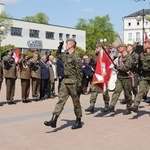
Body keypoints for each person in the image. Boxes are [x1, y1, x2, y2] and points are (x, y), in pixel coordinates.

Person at [44, 38, 83, 130]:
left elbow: (79, 72)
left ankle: (78, 121)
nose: (65, 46)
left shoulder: (76, 56)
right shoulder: (65, 55)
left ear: (71, 45)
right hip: (65, 81)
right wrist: (60, 46)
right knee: (60, 100)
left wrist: (79, 85)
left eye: (66, 44)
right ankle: (54, 119)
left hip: (74, 82)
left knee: (76, 103)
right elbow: (57, 55)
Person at [105, 44, 134, 115]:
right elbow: (114, 66)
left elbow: (127, 67)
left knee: (127, 93)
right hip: (120, 77)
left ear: (124, 48)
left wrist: (117, 68)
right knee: (116, 91)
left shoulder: (129, 57)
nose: (118, 49)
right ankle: (112, 106)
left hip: (127, 78)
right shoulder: (120, 58)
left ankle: (128, 108)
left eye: (120, 47)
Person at [84, 43, 110, 113]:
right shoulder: (95, 56)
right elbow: (91, 63)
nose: (96, 49)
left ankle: (107, 105)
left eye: (97, 48)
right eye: (96, 47)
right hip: (96, 75)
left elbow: (107, 64)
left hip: (103, 75)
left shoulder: (105, 56)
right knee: (94, 89)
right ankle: (92, 105)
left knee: (104, 91)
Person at [130, 39, 150, 113]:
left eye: (145, 44)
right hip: (144, 76)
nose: (144, 45)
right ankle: (135, 105)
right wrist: (140, 73)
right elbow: (139, 65)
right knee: (141, 91)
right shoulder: (142, 54)